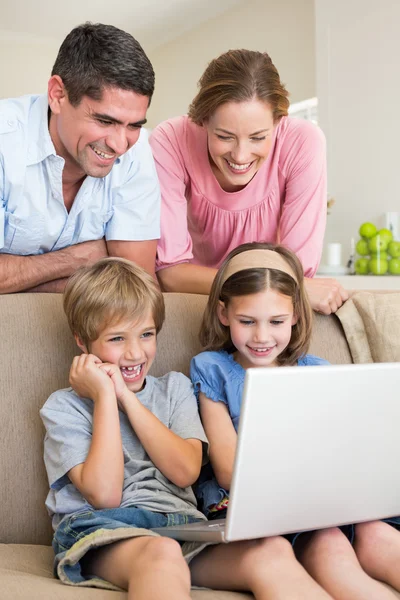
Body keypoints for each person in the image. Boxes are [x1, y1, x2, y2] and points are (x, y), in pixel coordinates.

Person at [40, 257, 333, 600]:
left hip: (181, 525)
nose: (135, 352)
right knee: (161, 554)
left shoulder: (174, 388)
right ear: (82, 341)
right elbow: (105, 496)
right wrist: (105, 397)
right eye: (117, 338)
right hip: (102, 529)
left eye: (146, 334)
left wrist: (126, 397)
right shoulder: (64, 407)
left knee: (272, 552)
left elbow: (185, 471)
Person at [191, 242, 400, 600]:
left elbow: (345, 448)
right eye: (247, 321)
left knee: (379, 535)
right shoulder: (213, 369)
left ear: (296, 317)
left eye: (276, 322)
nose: (261, 336)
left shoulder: (316, 371)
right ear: (224, 314)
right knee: (331, 544)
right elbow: (228, 471)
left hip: (325, 497)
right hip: (259, 505)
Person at [150, 49, 348, 315]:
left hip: (268, 308)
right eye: (224, 136)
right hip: (194, 301)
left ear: (278, 122)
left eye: (257, 137)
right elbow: (171, 274)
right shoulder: (171, 140)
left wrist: (293, 285)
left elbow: (297, 270)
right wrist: (288, 286)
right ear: (203, 120)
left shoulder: (303, 142)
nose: (240, 156)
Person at [0, 22, 160, 294]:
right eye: (104, 120)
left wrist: (19, 278)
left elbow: (135, 288)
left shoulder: (138, 150)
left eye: (134, 125)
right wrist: (77, 259)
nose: (120, 145)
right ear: (58, 95)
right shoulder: (5, 140)